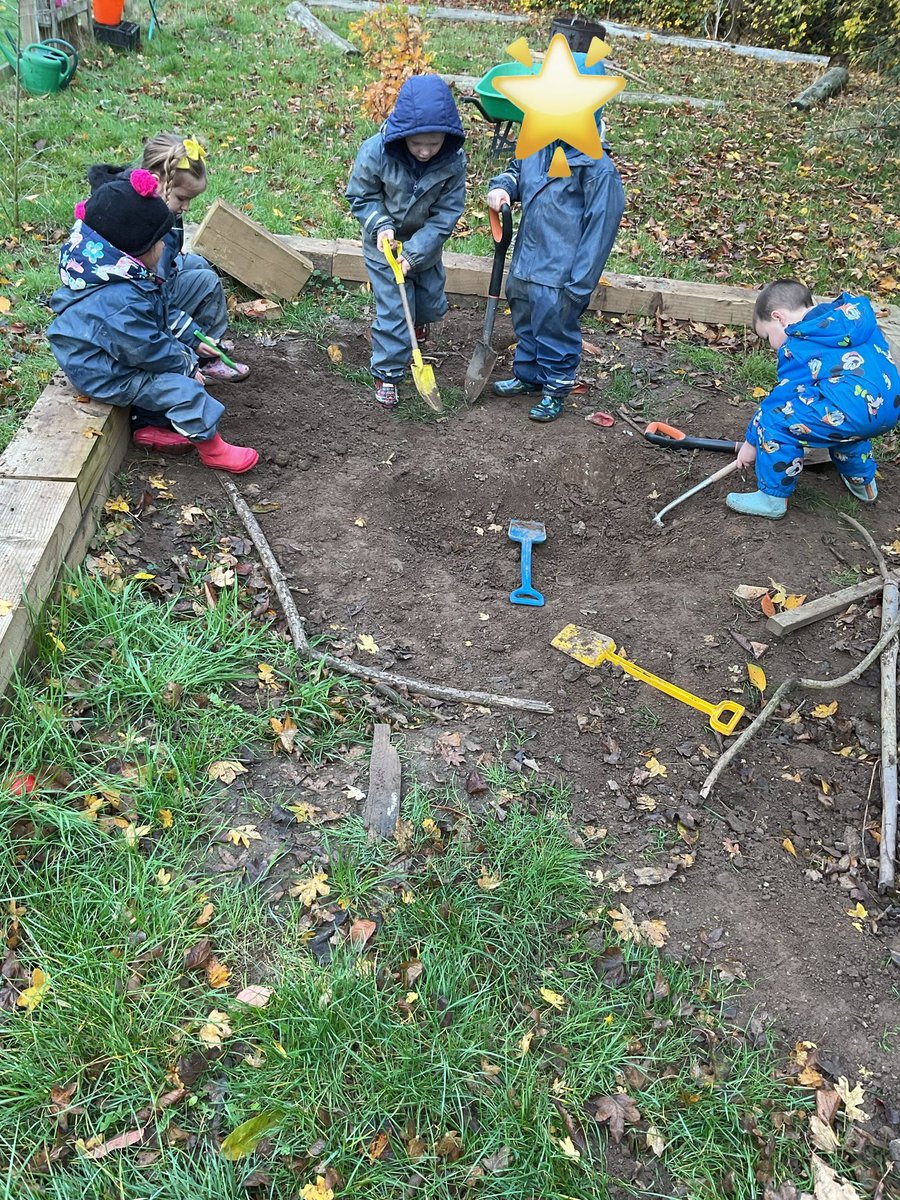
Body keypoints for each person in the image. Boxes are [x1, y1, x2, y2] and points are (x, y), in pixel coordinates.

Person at [47, 169, 259, 472]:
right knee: (183, 389)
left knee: (175, 370)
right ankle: (213, 450)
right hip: (103, 371)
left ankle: (152, 428)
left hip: (114, 352)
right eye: (158, 243)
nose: (163, 249)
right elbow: (145, 349)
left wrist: (194, 341)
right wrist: (186, 365)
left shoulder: (125, 276)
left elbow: (159, 312)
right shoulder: (117, 300)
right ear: (133, 250)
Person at [486, 54, 625, 423]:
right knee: (526, 319)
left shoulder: (597, 170)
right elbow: (516, 170)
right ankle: (528, 375)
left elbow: (600, 231)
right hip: (527, 259)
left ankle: (556, 385)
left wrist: (579, 284)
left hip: (561, 270)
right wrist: (502, 188)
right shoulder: (535, 145)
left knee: (555, 326)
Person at [726, 279, 900, 519]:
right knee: (843, 426)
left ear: (779, 318)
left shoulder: (799, 344)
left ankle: (772, 498)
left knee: (774, 421)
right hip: (887, 410)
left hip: (852, 409)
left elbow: (782, 399)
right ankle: (863, 484)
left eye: (767, 337)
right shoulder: (851, 322)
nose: (772, 346)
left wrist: (751, 442)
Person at [87, 133, 248, 383]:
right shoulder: (144, 226)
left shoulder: (136, 200)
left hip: (139, 281)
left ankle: (200, 340)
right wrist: (189, 336)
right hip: (137, 292)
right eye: (182, 199)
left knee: (198, 264)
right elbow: (152, 293)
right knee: (206, 281)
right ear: (156, 180)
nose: (186, 207)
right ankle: (202, 355)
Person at [346, 74, 466, 410]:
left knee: (428, 302)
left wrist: (415, 253)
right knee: (397, 312)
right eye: (417, 144)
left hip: (424, 243)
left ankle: (417, 323)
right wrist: (380, 224)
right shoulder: (376, 152)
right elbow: (361, 195)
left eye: (434, 143)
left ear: (448, 137)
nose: (426, 152)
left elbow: (446, 213)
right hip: (383, 243)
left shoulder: (453, 162)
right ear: (403, 136)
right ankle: (388, 373)